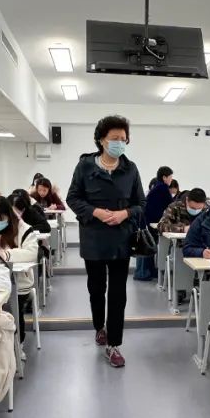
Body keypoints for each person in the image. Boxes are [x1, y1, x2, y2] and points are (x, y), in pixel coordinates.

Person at [66, 115, 145, 368]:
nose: (120, 142)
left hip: (121, 239)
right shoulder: (85, 166)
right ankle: (99, 326)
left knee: (118, 294)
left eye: (123, 138)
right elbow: (72, 198)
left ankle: (114, 344)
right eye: (114, 138)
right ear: (101, 140)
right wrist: (96, 212)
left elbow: (141, 204)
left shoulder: (130, 169)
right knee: (96, 289)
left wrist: (125, 213)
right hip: (94, 239)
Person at [0, 195, 39, 344]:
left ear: (9, 215)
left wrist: (6, 255)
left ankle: (17, 345)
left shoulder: (23, 229)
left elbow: (32, 253)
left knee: (13, 311)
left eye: (1, 219)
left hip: (18, 284)